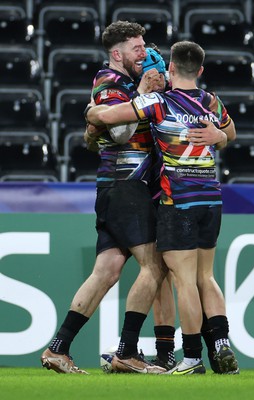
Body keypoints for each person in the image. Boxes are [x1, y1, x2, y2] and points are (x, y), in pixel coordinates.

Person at [85, 40, 239, 375]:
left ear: (169, 69)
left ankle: (193, 357)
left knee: (183, 281)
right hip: (211, 199)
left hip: (177, 200)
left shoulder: (159, 101)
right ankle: (223, 350)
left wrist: (90, 111)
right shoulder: (213, 101)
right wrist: (220, 138)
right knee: (206, 277)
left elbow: (111, 118)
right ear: (199, 71)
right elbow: (231, 133)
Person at [41, 21, 174, 375]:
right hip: (125, 186)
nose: (143, 53)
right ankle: (127, 352)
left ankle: (58, 348)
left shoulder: (124, 84)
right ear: (117, 54)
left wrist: (148, 86)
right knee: (154, 266)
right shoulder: (110, 82)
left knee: (106, 272)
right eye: (136, 48)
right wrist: (145, 90)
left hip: (118, 189)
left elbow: (99, 132)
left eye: (143, 46)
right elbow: (118, 133)